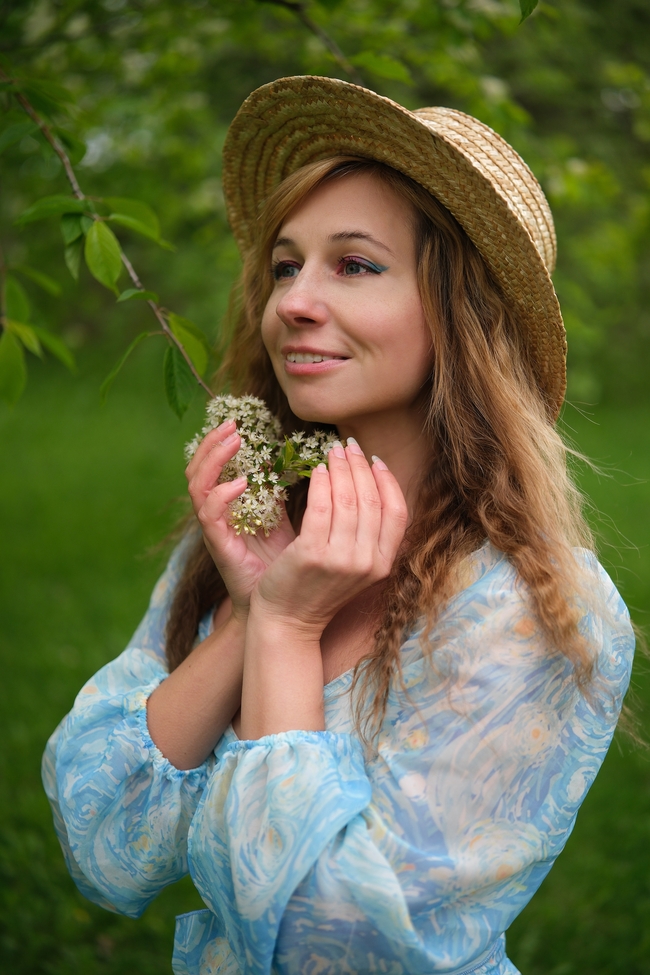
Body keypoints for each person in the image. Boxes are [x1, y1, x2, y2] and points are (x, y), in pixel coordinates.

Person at [42, 76, 635, 975]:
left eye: (354, 265)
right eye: (286, 266)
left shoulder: (538, 606)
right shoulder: (255, 533)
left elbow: (338, 946)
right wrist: (248, 613)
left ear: (457, 310)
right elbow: (103, 839)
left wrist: (287, 633)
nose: (292, 303)